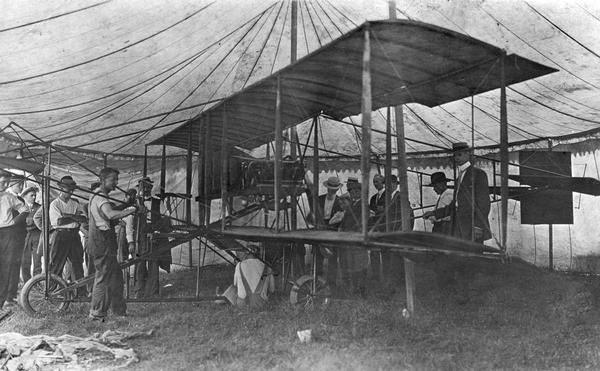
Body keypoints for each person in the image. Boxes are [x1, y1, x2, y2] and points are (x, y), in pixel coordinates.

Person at [88, 168, 136, 321]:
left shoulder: (95, 195)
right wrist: (132, 209)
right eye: (113, 179)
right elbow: (110, 214)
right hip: (102, 243)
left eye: (116, 179)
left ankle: (119, 310)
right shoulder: (101, 197)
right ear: (103, 180)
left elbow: (107, 214)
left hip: (104, 241)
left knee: (115, 277)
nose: (116, 183)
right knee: (103, 277)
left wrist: (124, 206)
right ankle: (96, 313)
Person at [48, 176, 88, 297]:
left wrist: (67, 216)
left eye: (71, 190)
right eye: (67, 189)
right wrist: (73, 216)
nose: (70, 192)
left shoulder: (75, 203)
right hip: (60, 235)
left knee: (77, 264)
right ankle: (53, 292)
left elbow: (83, 218)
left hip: (74, 236)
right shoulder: (55, 204)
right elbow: (58, 222)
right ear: (61, 188)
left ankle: (81, 293)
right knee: (56, 265)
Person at [0, 170, 27, 314]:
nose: (5, 185)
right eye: (2, 182)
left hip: (7, 233)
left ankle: (3, 301)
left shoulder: (9, 197)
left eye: (7, 182)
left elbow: (25, 209)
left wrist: (13, 222)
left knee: (6, 266)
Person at [338, 182, 369, 297]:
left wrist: (353, 231)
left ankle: (362, 289)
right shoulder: (351, 205)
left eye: (357, 191)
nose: (354, 194)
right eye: (352, 192)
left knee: (361, 264)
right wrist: (341, 227)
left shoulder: (364, 205)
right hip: (349, 239)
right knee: (352, 264)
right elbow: (345, 219)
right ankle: (354, 287)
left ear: (361, 192)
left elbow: (363, 221)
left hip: (358, 238)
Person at [316, 176, 343, 289]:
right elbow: (313, 215)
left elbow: (341, 219)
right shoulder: (319, 199)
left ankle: (331, 284)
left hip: (333, 231)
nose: (332, 190)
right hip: (320, 230)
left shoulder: (340, 201)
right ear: (327, 188)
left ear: (337, 190)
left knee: (332, 258)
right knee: (318, 257)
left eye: (334, 189)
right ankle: (317, 282)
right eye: (330, 188)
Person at [20, 186, 41, 284]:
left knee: (37, 260)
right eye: (31, 195)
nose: (34, 197)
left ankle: (36, 283)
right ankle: (27, 283)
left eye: (35, 195)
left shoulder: (39, 207)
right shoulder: (21, 207)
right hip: (24, 235)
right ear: (25, 196)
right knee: (25, 260)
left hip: (36, 235)